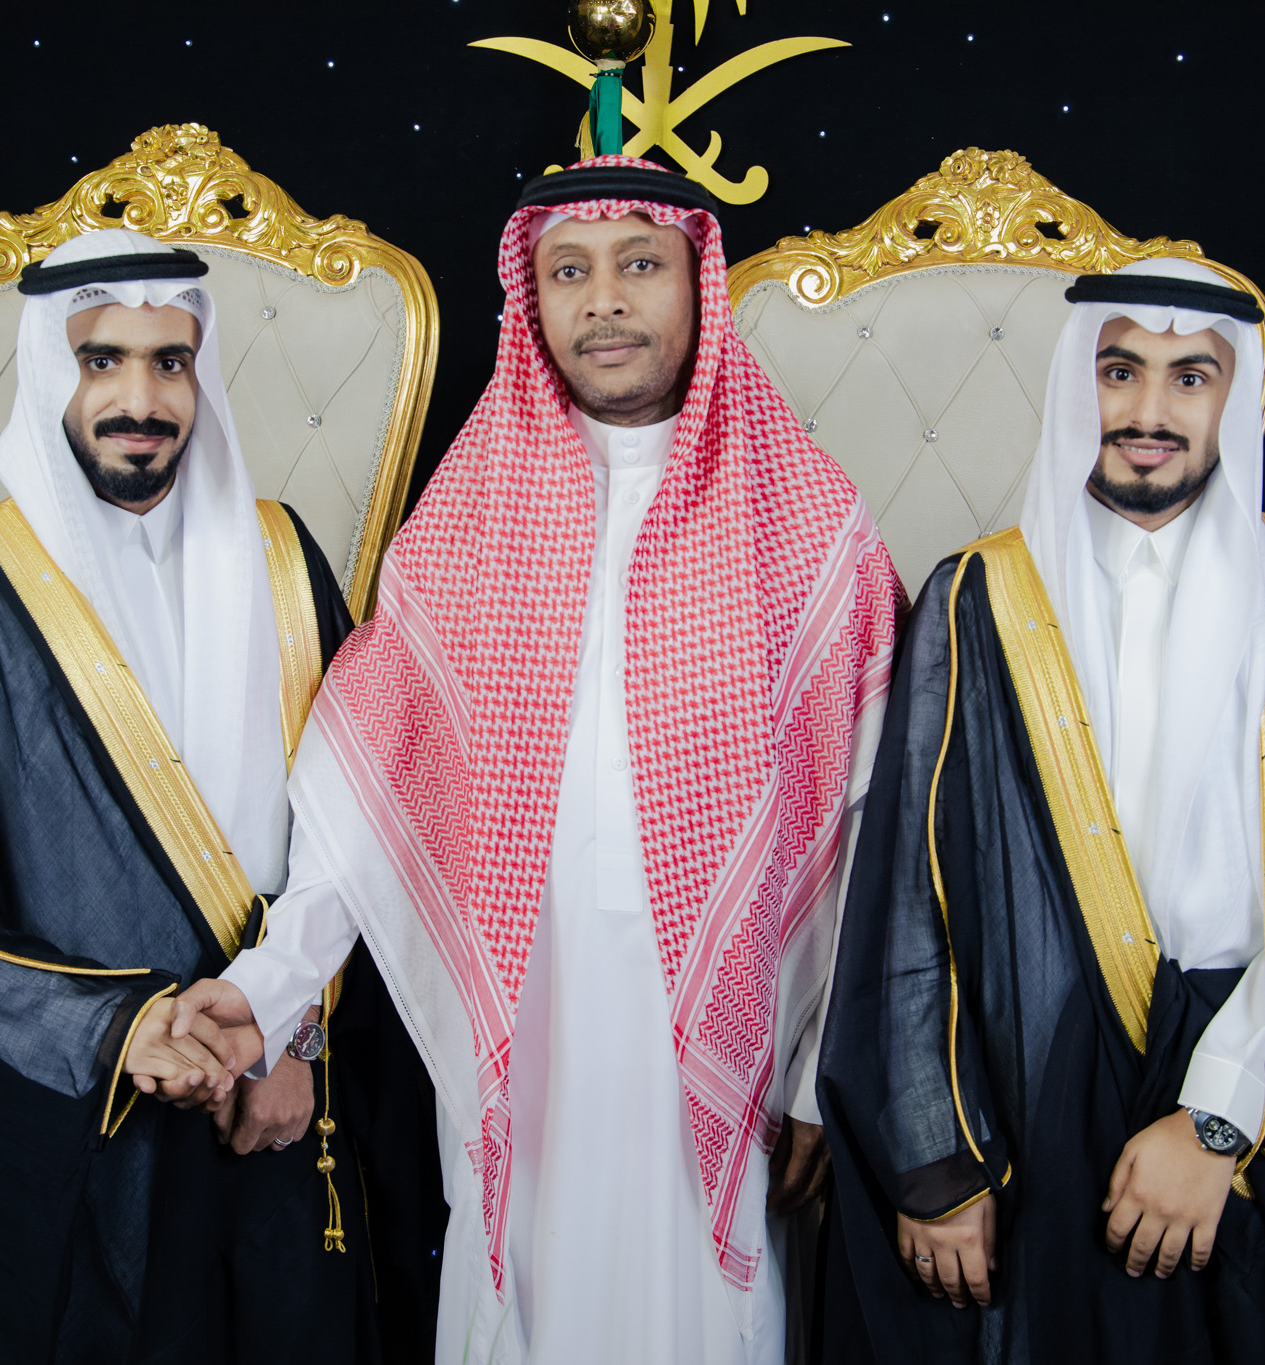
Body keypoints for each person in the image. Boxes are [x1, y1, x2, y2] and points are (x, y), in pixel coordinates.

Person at [155, 157, 904, 1364]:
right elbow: (364, 812)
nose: (602, 300)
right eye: (567, 272)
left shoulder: (809, 528)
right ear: (531, 298)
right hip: (522, 1008)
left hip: (735, 1032)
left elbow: (869, 827)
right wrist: (269, 987)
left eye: (638, 264)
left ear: (697, 286)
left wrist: (825, 1076)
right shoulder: (462, 527)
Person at [817, 259, 1265, 1363]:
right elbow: (909, 902)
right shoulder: (977, 599)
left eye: (1188, 378)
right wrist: (937, 1162)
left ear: (1232, 397)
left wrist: (1216, 1121)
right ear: (1080, 384)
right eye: (1120, 372)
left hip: (1258, 1081)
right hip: (1022, 1099)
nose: (1148, 411)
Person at [0, 228, 433, 1362]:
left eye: (170, 362)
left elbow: (363, 822)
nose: (140, 400)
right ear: (50, 371)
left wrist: (286, 1033)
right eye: (101, 360)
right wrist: (109, 1028)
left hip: (276, 1103)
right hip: (71, 1122)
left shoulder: (283, 560)